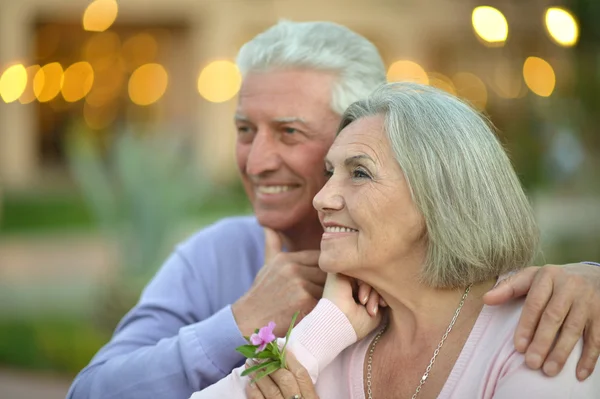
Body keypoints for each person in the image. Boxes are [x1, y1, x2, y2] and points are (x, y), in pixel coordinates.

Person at [67, 21, 600, 399]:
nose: (256, 161)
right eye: (244, 131)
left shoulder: (513, 322)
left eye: (289, 133)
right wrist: (243, 320)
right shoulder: (218, 255)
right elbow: (92, 392)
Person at [191, 82, 599, 399]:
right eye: (330, 172)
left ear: (441, 196)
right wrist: (318, 334)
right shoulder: (334, 337)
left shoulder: (547, 329)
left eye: (360, 173)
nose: (321, 198)